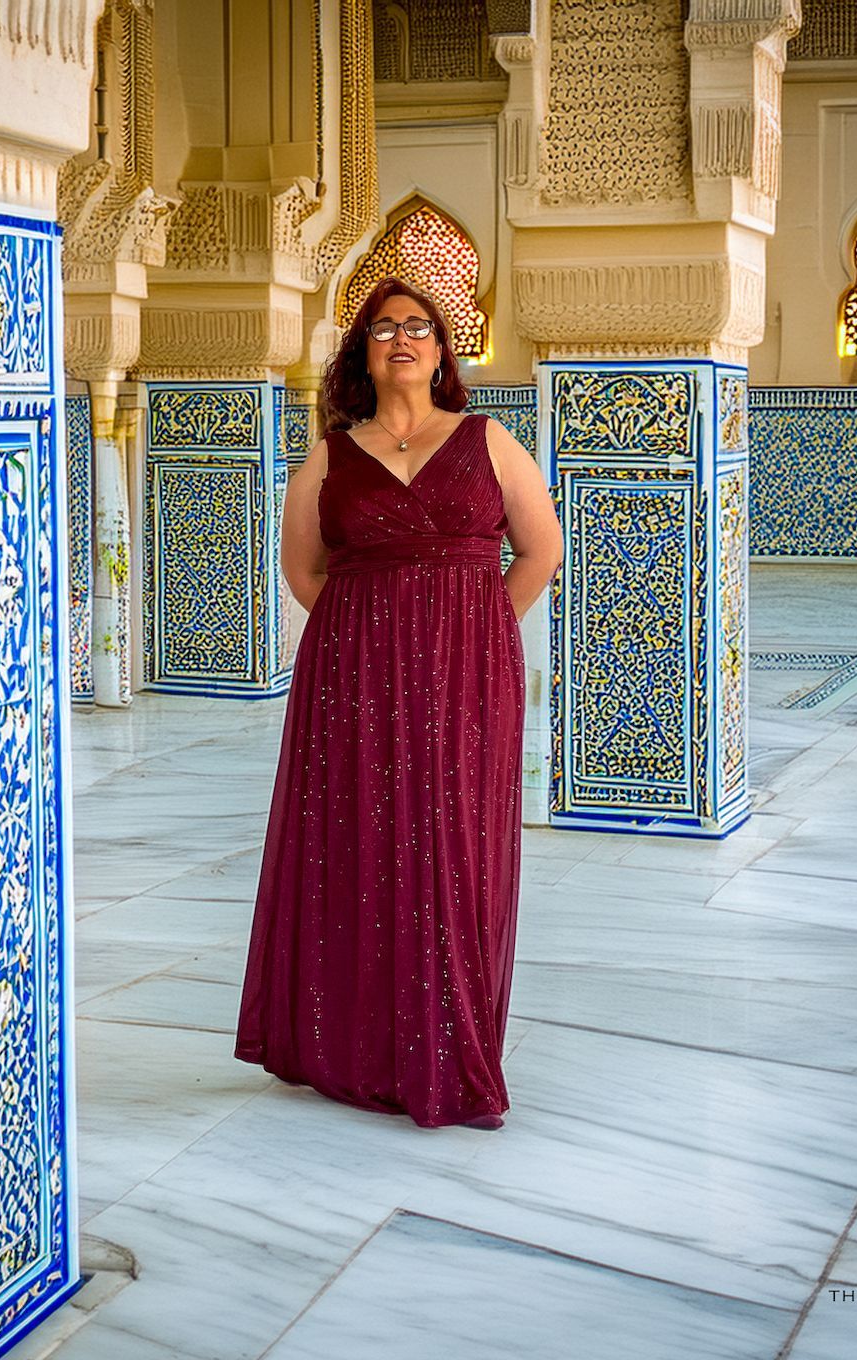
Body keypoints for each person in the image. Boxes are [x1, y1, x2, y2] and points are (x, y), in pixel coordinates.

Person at [233, 277, 563, 1129]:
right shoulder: (330, 456)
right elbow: (303, 572)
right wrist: (368, 635)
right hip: (351, 681)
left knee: (452, 847)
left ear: (443, 350)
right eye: (384, 329)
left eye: (419, 327)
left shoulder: (488, 443)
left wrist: (471, 629)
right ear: (363, 354)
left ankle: (451, 1054)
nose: (403, 339)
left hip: (467, 674)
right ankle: (350, 1048)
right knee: (359, 842)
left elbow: (539, 549)